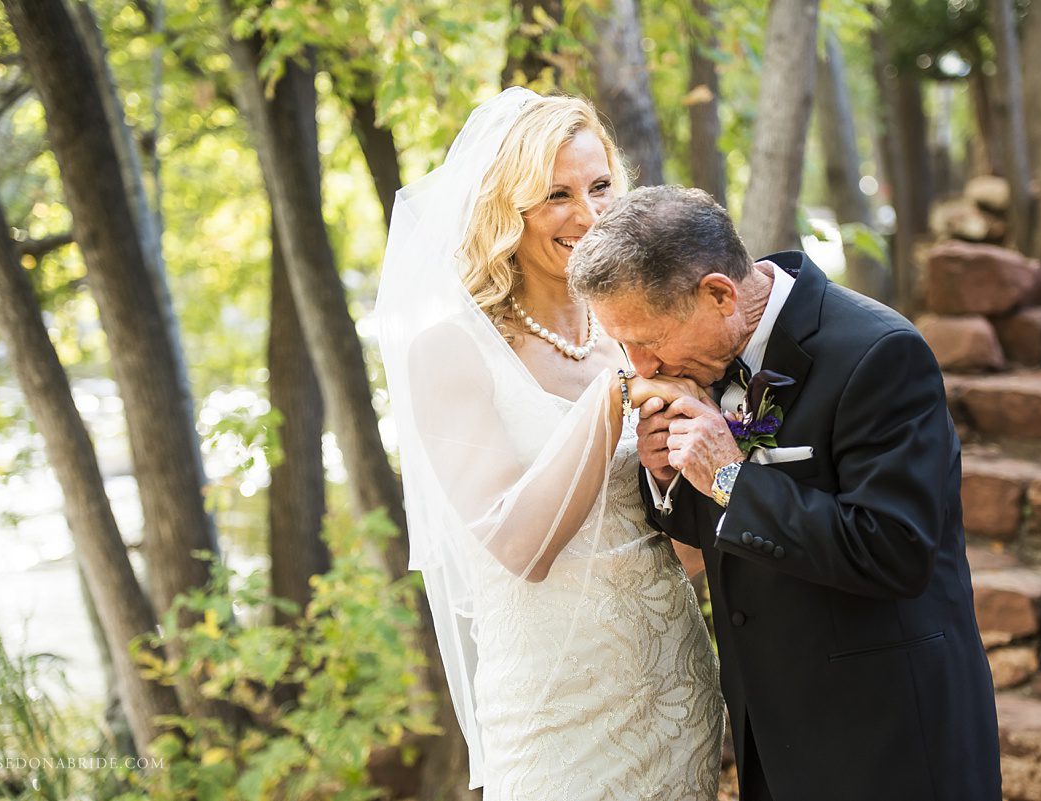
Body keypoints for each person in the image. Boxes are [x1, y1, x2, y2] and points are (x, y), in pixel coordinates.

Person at [568, 185, 1001, 801]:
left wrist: (729, 475)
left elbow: (895, 549)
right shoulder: (704, 361)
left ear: (718, 294)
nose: (641, 365)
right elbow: (728, 531)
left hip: (889, 738)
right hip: (772, 738)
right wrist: (670, 475)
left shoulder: (879, 354)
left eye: (648, 339)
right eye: (623, 346)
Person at [375, 90, 723, 800]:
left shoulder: (643, 330)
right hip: (553, 713)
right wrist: (612, 395)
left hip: (672, 687)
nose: (589, 215)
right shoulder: (452, 353)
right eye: (555, 195)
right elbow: (518, 546)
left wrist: (675, 471)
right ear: (507, 209)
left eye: (600, 186)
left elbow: (687, 552)